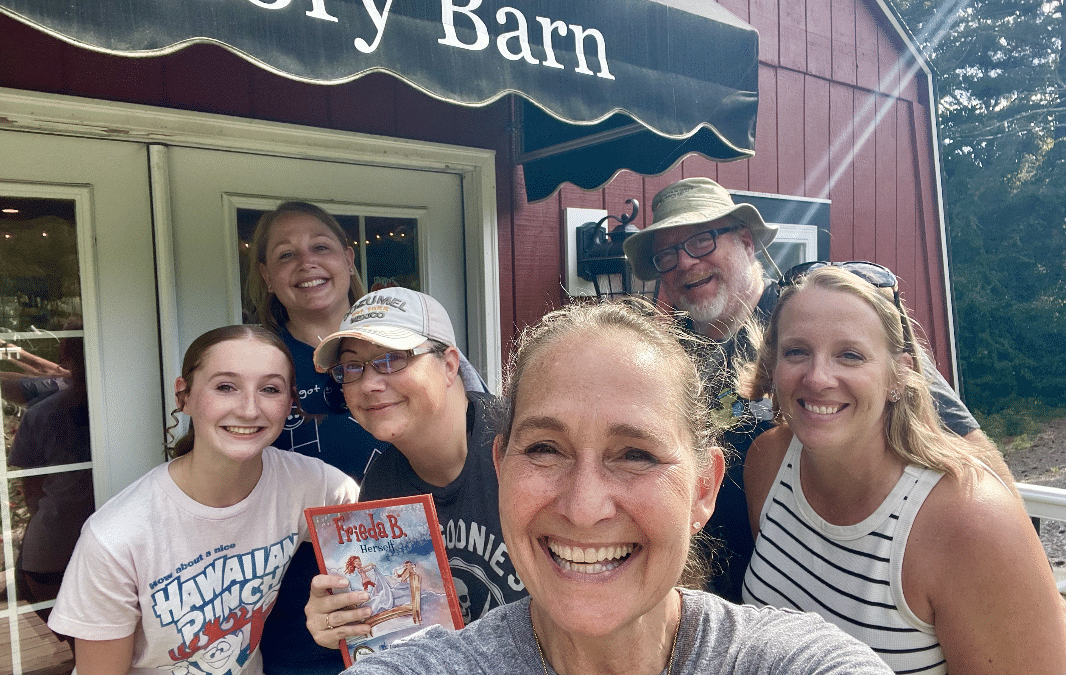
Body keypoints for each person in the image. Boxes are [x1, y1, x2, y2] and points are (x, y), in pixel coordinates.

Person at [322, 299, 893, 674]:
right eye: (545, 449)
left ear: (703, 489)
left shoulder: (789, 663)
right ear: (501, 467)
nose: (584, 507)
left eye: (637, 455)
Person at [621, 177, 1017, 602]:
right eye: (666, 254)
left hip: (855, 593)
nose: (684, 262)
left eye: (700, 241)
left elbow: (975, 461)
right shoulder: (671, 351)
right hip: (739, 598)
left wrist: (1004, 574)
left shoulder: (815, 318)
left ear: (746, 242)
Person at [740, 265, 1066, 674]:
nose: (818, 377)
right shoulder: (768, 463)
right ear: (774, 366)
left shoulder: (971, 519)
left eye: (850, 355)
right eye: (796, 351)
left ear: (900, 375)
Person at [47, 325, 360, 675]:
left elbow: (390, 544)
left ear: (289, 403)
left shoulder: (310, 484)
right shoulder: (116, 538)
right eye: (226, 387)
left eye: (270, 389)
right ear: (185, 396)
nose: (248, 409)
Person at [303, 288, 521, 647]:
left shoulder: (524, 450)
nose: (370, 384)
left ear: (449, 365)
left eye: (392, 358)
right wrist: (345, 622)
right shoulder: (382, 485)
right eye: (351, 368)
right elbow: (399, 631)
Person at [247, 201, 385, 675]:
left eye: (320, 247)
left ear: (348, 258)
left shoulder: (404, 344)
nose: (306, 262)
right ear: (266, 276)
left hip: (419, 580)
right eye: (286, 255)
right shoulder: (256, 362)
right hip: (299, 608)